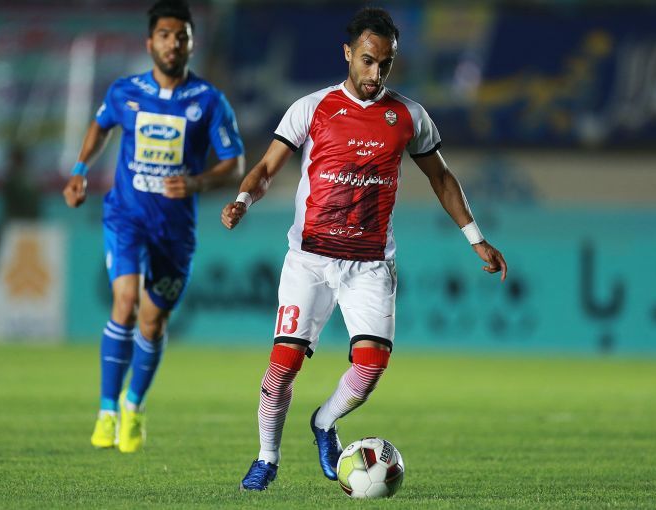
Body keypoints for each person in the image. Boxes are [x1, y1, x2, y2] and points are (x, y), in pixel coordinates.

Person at [222, 7, 507, 490]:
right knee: (283, 367)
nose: (376, 73)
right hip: (310, 259)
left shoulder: (409, 116)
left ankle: (324, 422)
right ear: (348, 54)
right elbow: (268, 167)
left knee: (371, 367)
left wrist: (476, 238)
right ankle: (267, 458)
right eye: (368, 61)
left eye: (386, 64)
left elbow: (441, 178)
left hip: (371, 264)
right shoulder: (312, 108)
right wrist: (243, 200)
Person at [63, 0, 245, 453]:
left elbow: (235, 163)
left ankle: (134, 405)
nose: (172, 43)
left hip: (175, 231)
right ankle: (107, 411)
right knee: (125, 302)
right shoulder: (125, 92)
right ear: (150, 43)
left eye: (181, 36)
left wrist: (197, 182)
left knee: (152, 321)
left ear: (191, 44)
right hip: (126, 216)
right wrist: (80, 169)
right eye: (164, 35)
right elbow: (100, 126)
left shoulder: (208, 100)